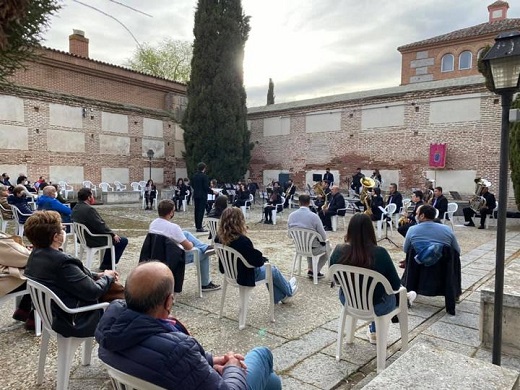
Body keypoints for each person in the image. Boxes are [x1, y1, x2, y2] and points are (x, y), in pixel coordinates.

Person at [96, 261, 281, 390]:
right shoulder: (178, 349)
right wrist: (232, 365)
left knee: (269, 379)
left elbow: (168, 363)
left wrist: (209, 361)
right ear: (168, 302)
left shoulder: (109, 330)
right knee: (262, 355)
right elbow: (174, 358)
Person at [24, 210, 117, 337]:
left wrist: (96, 275)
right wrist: (107, 276)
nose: (64, 228)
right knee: (124, 306)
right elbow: (93, 292)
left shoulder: (35, 255)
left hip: (52, 314)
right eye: (61, 227)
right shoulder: (62, 262)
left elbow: (71, 277)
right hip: (75, 319)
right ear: (56, 237)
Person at [329, 213, 415, 344]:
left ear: (350, 229)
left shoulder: (338, 250)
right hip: (377, 305)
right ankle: (405, 300)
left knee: (372, 291)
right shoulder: (380, 253)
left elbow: (335, 278)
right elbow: (395, 286)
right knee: (391, 293)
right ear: (370, 230)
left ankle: (370, 330)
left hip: (348, 300)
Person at [216, 207, 297, 304]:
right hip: (245, 275)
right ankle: (288, 290)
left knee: (269, 269)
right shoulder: (242, 240)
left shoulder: (218, 238)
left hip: (230, 272)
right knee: (272, 270)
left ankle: (280, 296)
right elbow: (256, 261)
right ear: (239, 221)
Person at [149, 199, 220, 291]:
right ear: (171, 213)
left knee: (185, 233)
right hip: (173, 259)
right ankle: (205, 283)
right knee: (203, 253)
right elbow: (188, 247)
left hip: (157, 254)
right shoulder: (173, 228)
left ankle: (205, 247)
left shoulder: (153, 224)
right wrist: (190, 243)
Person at [72, 188, 128, 270]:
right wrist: (112, 234)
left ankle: (106, 262)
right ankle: (107, 265)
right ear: (88, 197)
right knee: (121, 240)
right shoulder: (89, 209)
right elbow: (100, 225)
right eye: (92, 195)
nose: (93, 197)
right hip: (92, 238)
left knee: (112, 237)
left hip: (82, 237)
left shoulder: (76, 207)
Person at [287, 194, 331, 279]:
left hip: (299, 247)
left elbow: (289, 235)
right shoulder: (314, 216)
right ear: (309, 203)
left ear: (299, 202)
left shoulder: (291, 215)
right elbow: (323, 236)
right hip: (313, 247)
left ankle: (310, 269)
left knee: (309, 242)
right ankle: (316, 271)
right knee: (328, 247)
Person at [192, 162, 214, 232]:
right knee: (201, 211)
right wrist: (212, 191)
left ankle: (197, 225)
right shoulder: (204, 176)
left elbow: (192, 185)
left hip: (196, 195)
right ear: (204, 168)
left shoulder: (194, 176)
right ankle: (199, 227)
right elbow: (205, 187)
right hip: (202, 196)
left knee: (196, 210)